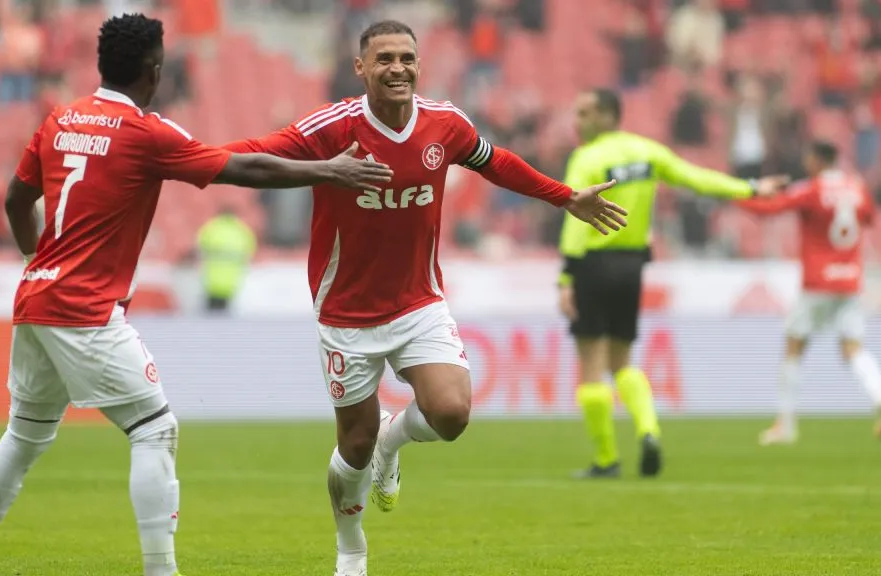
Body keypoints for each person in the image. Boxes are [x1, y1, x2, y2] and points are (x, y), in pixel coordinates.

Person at [0, 13, 393, 576]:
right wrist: (329, 171)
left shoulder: (60, 119)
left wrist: (37, 261)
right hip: (85, 310)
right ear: (154, 70)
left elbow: (14, 200)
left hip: (34, 300)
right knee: (155, 429)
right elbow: (243, 168)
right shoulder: (145, 133)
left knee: (24, 435)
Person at [222, 20, 628, 576]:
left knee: (453, 413)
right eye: (384, 58)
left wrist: (563, 198)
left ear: (419, 64)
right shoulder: (333, 127)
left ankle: (395, 441)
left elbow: (497, 162)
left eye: (406, 57)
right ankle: (351, 547)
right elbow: (251, 156)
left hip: (418, 301)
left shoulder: (445, 124)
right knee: (354, 447)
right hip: (346, 314)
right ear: (360, 68)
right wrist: (187, 162)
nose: (398, 68)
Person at [557, 88, 789, 480]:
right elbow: (697, 179)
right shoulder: (649, 152)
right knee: (622, 362)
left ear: (608, 116)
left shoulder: (587, 158)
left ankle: (606, 459)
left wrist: (566, 277)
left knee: (592, 365)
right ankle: (648, 429)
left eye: (585, 113)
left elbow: (574, 219)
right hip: (632, 265)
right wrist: (750, 187)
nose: (577, 121)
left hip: (593, 265)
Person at [739, 140, 881, 445]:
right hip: (850, 281)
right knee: (853, 348)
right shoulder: (858, 187)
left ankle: (786, 425)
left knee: (793, 347)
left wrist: (735, 194)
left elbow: (771, 207)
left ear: (818, 160)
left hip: (817, 283)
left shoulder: (812, 189)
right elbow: (871, 219)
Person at [196, 205, 257, 312]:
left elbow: (200, 247)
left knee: (210, 311)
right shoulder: (242, 230)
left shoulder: (212, 227)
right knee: (226, 312)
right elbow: (250, 251)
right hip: (232, 279)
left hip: (212, 278)